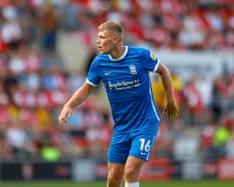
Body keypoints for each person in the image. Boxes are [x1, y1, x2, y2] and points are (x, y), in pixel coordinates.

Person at [58, 21, 178, 187]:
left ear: (115, 39)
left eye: (102, 38)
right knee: (113, 178)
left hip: (145, 123)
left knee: (130, 170)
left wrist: (170, 100)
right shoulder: (99, 63)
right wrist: (69, 105)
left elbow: (163, 70)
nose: (98, 41)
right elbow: (86, 89)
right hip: (122, 127)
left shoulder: (140, 55)